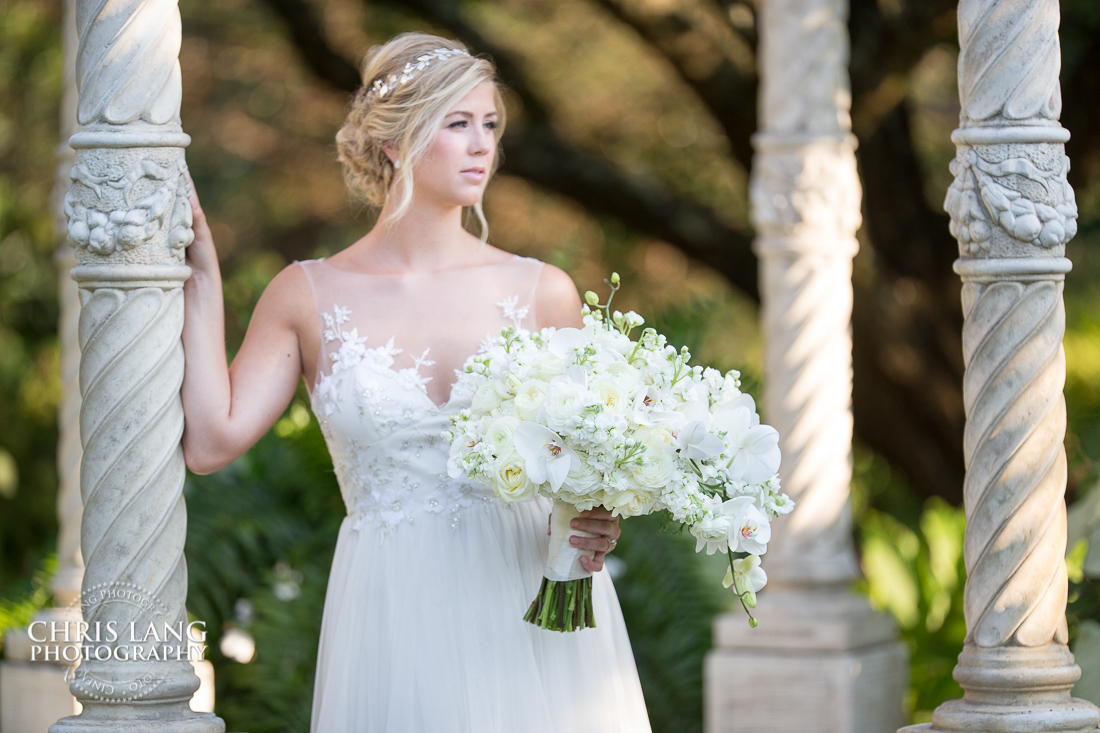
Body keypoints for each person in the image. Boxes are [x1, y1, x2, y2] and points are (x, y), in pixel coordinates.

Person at [180, 31, 652, 733]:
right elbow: (212, 442)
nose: (481, 144)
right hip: (394, 612)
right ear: (395, 143)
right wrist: (203, 276)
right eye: (457, 124)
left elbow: (587, 463)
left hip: (533, 607)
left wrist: (599, 513)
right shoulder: (307, 295)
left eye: (489, 124)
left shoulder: (543, 292)